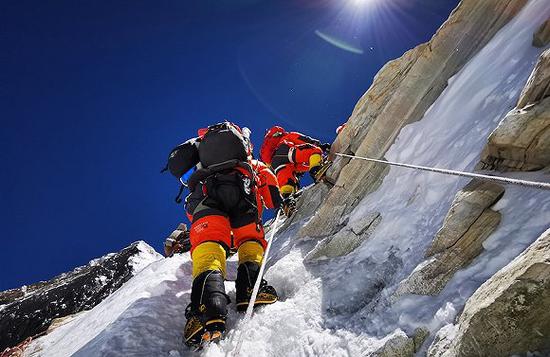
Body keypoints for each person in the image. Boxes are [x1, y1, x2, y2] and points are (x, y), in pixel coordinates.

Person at [163, 122, 283, 348]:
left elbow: (194, 211)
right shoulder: (249, 161)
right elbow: (268, 185)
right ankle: (250, 289)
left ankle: (206, 310)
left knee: (208, 246)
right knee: (250, 241)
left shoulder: (201, 159)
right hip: (244, 194)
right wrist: (276, 200)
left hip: (206, 194)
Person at [260, 126, 331, 213]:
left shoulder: (272, 151)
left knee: (288, 182)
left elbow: (299, 167)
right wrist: (320, 146)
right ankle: (316, 171)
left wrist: (310, 166)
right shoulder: (287, 136)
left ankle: (287, 201)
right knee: (314, 150)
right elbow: (303, 139)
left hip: (276, 163)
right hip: (285, 151)